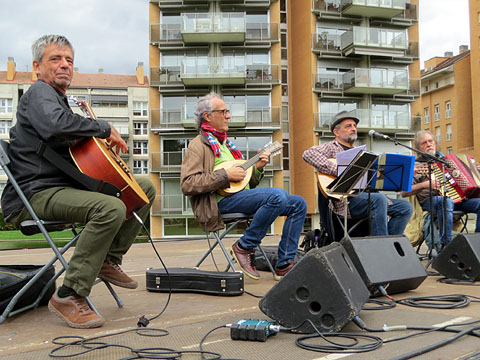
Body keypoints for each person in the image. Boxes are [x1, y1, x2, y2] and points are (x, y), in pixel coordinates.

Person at [0, 35, 156, 328]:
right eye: (55, 59)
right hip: (34, 195)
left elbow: (69, 142)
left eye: (69, 60)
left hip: (61, 189)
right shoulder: (39, 93)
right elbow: (56, 126)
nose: (64, 66)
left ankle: (107, 260)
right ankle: (68, 294)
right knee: (110, 208)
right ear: (37, 66)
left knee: (143, 188)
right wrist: (103, 128)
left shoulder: (58, 102)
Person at [180, 92, 307, 281]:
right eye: (223, 112)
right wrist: (225, 175)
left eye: (227, 111)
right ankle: (245, 246)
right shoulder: (198, 145)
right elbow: (187, 184)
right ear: (207, 116)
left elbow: (243, 183)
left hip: (240, 199)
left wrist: (257, 169)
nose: (228, 116)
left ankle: (283, 265)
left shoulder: (227, 145)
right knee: (277, 195)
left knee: (299, 203)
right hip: (218, 204)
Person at [302, 111, 412, 236]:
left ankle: (389, 243)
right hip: (346, 200)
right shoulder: (331, 147)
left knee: (405, 207)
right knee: (379, 200)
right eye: (348, 126)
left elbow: (372, 180)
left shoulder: (362, 153)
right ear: (336, 132)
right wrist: (341, 171)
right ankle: (381, 248)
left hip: (367, 197)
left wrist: (393, 182)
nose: (353, 129)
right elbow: (308, 154)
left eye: (354, 126)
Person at [401, 130, 480, 249]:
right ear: (418, 148)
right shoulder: (415, 165)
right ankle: (446, 246)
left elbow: (463, 180)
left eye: (430, 141)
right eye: (424, 143)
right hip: (431, 201)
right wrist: (425, 185)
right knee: (445, 200)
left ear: (435, 143)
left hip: (457, 200)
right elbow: (404, 192)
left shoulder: (447, 161)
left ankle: (477, 243)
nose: (428, 144)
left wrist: (475, 169)